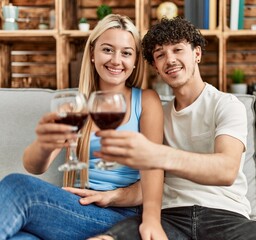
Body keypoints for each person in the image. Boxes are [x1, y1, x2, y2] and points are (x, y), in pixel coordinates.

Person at [89, 17, 256, 240]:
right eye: (160, 54)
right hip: (169, 217)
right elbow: (150, 179)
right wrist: (115, 195)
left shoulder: (226, 105)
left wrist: (158, 154)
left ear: (197, 54)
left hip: (225, 218)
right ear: (155, 67)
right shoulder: (156, 115)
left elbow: (226, 170)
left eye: (178, 50)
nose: (170, 60)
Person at [0, 14, 166, 240]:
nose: (116, 60)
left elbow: (154, 174)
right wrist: (45, 144)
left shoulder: (146, 101)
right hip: (74, 208)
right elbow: (34, 166)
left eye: (126, 53)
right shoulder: (75, 106)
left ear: (135, 60)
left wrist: (113, 196)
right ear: (92, 53)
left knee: (17, 188)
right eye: (107, 50)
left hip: (120, 215)